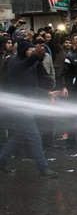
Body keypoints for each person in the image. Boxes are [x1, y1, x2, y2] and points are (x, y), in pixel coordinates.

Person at [0, 40, 56, 178]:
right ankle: (43, 168)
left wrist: (47, 93)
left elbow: (31, 86)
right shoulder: (14, 62)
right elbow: (22, 67)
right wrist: (35, 57)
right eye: (29, 49)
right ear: (23, 50)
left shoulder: (32, 63)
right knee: (34, 135)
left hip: (27, 104)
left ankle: (1, 162)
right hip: (18, 105)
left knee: (19, 135)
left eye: (33, 49)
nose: (32, 51)